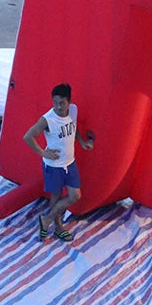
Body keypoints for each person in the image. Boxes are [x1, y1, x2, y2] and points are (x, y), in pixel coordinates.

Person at [22, 83, 94, 243]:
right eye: (55, 102)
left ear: (69, 101)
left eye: (62, 103)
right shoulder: (48, 119)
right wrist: (43, 152)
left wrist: (81, 142)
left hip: (70, 163)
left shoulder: (73, 111)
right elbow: (28, 136)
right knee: (55, 197)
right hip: (54, 167)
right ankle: (59, 227)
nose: (58, 106)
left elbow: (72, 129)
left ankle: (46, 220)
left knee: (75, 195)